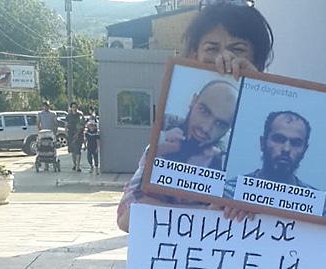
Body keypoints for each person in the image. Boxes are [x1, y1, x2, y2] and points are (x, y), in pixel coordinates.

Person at [116, 2, 273, 232]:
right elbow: (128, 219)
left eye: (238, 49)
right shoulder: (164, 144)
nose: (225, 58)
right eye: (212, 48)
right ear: (193, 55)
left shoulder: (262, 151)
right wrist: (206, 218)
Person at [224, 111, 326, 217]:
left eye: (296, 143)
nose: (286, 149)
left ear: (304, 150)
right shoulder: (230, 192)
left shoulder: (319, 206)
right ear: (263, 143)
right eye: (279, 139)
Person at [158, 80, 238, 170]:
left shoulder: (225, 164)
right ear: (193, 101)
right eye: (204, 111)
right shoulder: (161, 124)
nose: (206, 128)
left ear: (229, 129)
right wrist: (154, 148)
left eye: (220, 124)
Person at [37, 101, 58, 171]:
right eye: (44, 106)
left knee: (52, 146)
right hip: (43, 133)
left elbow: (55, 123)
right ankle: (46, 166)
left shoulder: (53, 114)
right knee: (43, 147)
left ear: (49, 106)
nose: (46, 107)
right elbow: (38, 123)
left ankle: (53, 159)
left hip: (51, 133)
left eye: (47, 106)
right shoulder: (40, 114)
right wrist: (39, 131)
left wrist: (55, 132)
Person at [66, 102, 85, 172]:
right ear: (71, 108)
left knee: (78, 150)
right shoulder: (68, 116)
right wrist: (66, 134)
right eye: (73, 107)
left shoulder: (80, 115)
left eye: (75, 107)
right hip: (70, 134)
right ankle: (74, 164)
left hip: (79, 135)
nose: (74, 108)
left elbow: (82, 125)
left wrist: (78, 132)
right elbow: (66, 125)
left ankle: (78, 166)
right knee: (73, 151)